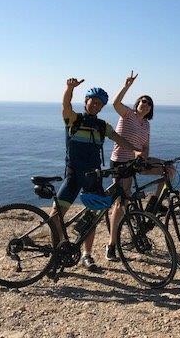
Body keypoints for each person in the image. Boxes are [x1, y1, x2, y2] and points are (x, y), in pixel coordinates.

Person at [52, 77, 140, 272]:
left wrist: (136, 152)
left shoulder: (103, 126)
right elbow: (66, 105)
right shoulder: (74, 120)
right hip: (73, 175)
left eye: (99, 103)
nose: (95, 105)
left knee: (92, 216)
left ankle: (87, 255)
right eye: (93, 101)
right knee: (56, 216)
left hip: (93, 176)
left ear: (101, 107)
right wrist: (69, 88)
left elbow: (120, 140)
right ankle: (56, 254)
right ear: (86, 101)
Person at [105, 71, 173, 262]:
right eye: (142, 101)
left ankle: (153, 206)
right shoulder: (128, 114)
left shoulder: (146, 125)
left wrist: (145, 158)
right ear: (137, 104)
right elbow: (115, 103)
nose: (145, 104)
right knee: (122, 203)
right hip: (120, 162)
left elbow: (145, 147)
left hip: (137, 162)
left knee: (169, 170)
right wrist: (126, 85)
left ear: (151, 109)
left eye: (149, 103)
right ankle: (111, 245)